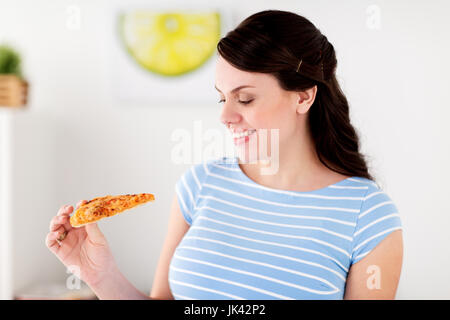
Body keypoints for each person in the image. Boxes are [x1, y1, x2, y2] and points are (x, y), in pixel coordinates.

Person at [46, 9, 403, 300]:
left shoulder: (367, 216)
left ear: (304, 97)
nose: (225, 116)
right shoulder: (200, 185)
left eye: (245, 99)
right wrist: (99, 274)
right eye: (222, 97)